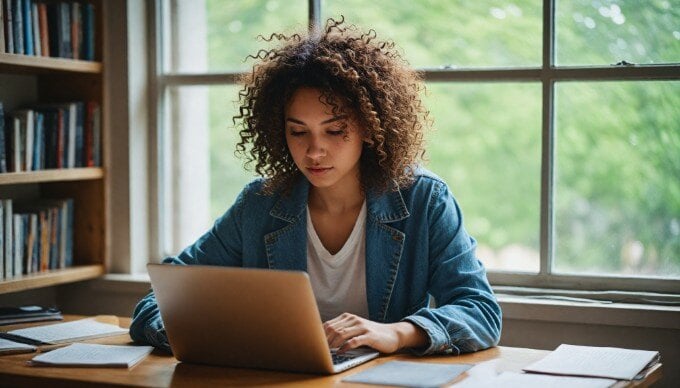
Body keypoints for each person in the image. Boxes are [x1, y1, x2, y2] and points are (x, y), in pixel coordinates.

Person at [130, 17, 501, 356]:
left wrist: (398, 333)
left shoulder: (424, 199)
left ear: (370, 128)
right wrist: (214, 333)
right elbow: (157, 302)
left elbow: (481, 313)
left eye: (335, 130)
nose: (314, 150)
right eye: (298, 132)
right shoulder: (259, 204)